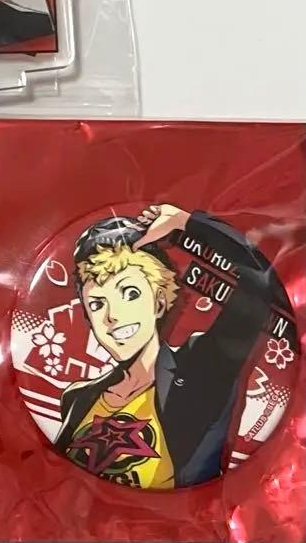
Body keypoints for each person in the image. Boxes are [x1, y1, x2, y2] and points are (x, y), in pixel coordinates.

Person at [54, 204, 287, 489]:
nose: (112, 316)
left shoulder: (202, 372)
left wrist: (188, 223)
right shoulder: (77, 397)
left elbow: (260, 282)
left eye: (130, 293)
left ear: (160, 300)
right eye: (97, 304)